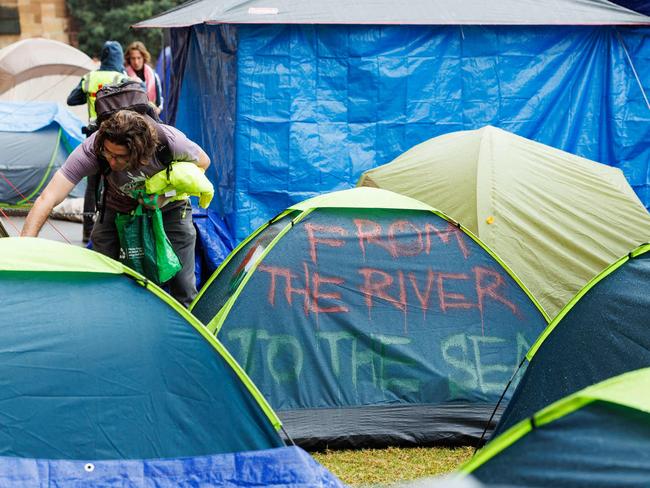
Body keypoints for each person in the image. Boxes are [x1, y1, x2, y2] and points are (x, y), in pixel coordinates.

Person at [21, 110, 211, 307]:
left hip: (171, 207)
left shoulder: (170, 142)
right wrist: (23, 249)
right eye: (107, 153)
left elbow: (204, 163)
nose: (111, 161)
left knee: (182, 284)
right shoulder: (92, 150)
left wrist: (165, 195)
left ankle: (185, 330)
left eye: (120, 157)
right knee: (101, 273)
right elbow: (47, 197)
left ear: (141, 152)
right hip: (117, 206)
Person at [68, 40, 129, 243]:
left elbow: (72, 99)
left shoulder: (90, 77)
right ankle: (113, 231)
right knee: (118, 183)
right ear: (119, 58)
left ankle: (87, 230)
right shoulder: (122, 77)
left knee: (91, 185)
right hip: (116, 138)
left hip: (93, 137)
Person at [124, 41, 163, 114]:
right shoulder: (124, 75)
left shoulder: (153, 75)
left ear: (144, 57)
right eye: (133, 58)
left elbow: (160, 99)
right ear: (129, 59)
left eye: (139, 58)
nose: (136, 62)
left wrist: (158, 109)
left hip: (151, 116)